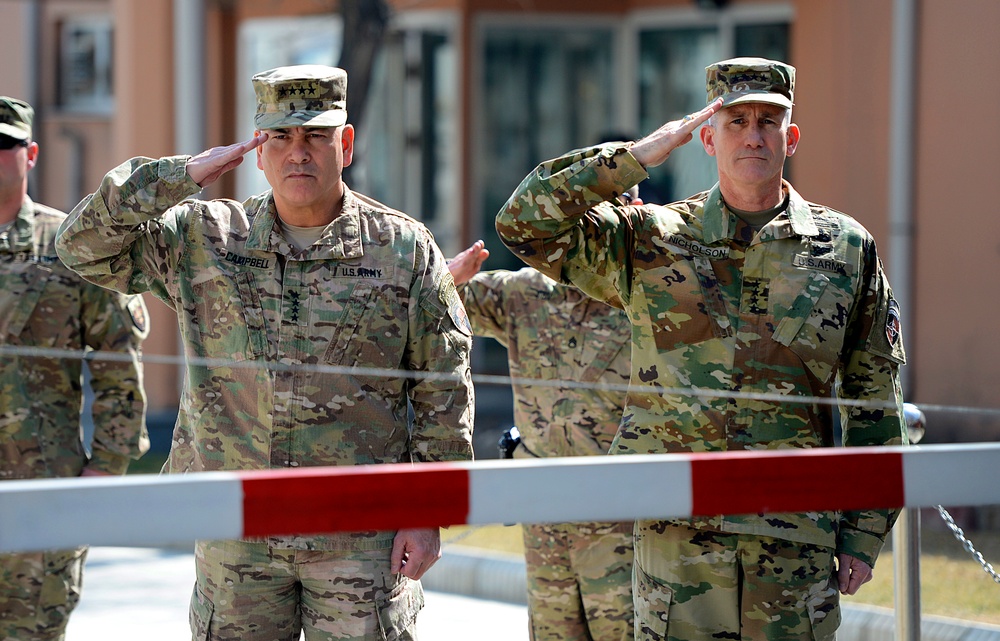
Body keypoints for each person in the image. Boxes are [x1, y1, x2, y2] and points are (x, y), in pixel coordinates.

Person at [55, 66, 474, 640]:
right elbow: (81, 247)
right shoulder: (205, 238)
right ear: (259, 149)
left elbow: (442, 387)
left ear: (345, 144)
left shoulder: (401, 247)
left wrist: (427, 513)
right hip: (237, 537)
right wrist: (182, 175)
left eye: (316, 136)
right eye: (281, 137)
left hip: (359, 536)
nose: (297, 153)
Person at [496, 58, 907, 641]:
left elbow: (874, 401)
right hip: (676, 543)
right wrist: (634, 157)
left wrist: (863, 536)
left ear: (790, 138)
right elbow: (523, 225)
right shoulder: (651, 239)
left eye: (769, 120)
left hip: (793, 546)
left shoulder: (844, 249)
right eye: (736, 121)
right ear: (707, 138)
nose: (754, 135)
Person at [0, 96, 149, 640]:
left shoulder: (70, 248)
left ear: (31, 153)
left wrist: (106, 467)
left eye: (5, 145)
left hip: (42, 491)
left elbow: (117, 362)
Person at [448, 226, 638, 641]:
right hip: (545, 520)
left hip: (620, 522)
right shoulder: (523, 291)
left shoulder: (644, 293)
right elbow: (436, 302)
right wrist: (448, 275)